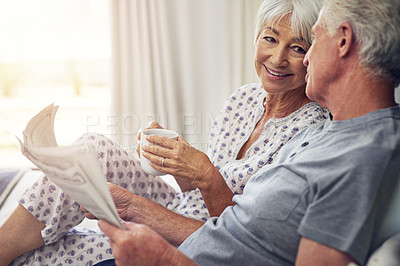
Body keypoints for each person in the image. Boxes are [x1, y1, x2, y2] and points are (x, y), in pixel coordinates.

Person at [0, 0, 327, 265]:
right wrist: (174, 158)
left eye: (297, 48)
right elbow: (194, 189)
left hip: (202, 237)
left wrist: (204, 172)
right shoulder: (243, 98)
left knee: (50, 255)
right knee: (93, 149)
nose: (278, 58)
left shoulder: (310, 132)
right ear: (257, 39)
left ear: (312, 58)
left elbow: (241, 239)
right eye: (270, 39)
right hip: (180, 207)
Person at [90, 0, 400, 265]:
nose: (304, 59)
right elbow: (232, 229)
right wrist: (134, 206)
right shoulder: (333, 136)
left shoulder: (358, 155)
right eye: (270, 40)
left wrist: (164, 259)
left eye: (312, 41)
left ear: (343, 41)